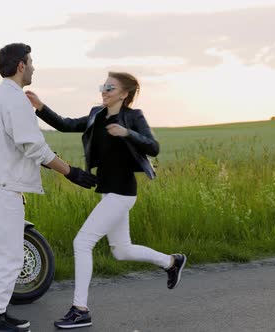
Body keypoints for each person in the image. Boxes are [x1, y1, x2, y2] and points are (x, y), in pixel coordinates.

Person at [26, 72, 187, 329]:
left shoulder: (133, 117)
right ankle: (171, 262)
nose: (104, 90)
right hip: (107, 190)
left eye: (110, 87)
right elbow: (66, 124)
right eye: (103, 86)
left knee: (82, 242)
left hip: (122, 192)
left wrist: (126, 133)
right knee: (122, 250)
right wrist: (41, 107)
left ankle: (80, 309)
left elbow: (153, 147)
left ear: (124, 94)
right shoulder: (96, 115)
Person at [0, 43, 98, 332]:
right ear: (20, 66)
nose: (33, 67)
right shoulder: (15, 99)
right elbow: (34, 147)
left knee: (4, 254)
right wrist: (71, 172)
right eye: (30, 62)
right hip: (3, 188)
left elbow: (20, 145)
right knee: (10, 257)